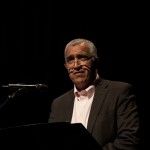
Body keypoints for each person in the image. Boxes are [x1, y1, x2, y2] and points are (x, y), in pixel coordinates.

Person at [48, 38, 140, 150]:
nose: (76, 65)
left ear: (95, 61)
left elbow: (128, 141)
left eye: (82, 57)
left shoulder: (119, 92)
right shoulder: (58, 104)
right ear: (66, 66)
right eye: (70, 60)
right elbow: (52, 144)